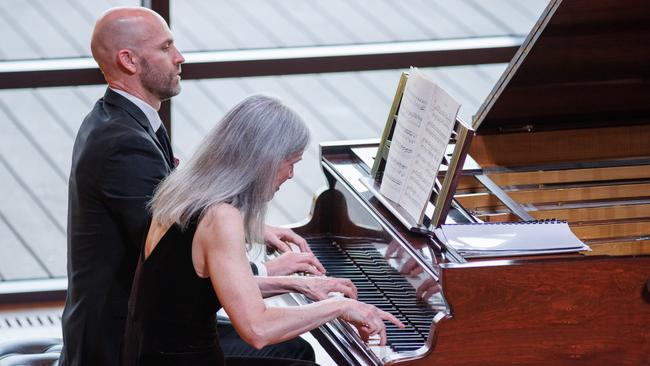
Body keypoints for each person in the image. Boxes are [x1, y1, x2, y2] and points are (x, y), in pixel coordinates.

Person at [60, 6, 333, 366]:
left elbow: (178, 222)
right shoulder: (122, 144)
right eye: (165, 48)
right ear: (129, 60)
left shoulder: (123, 121)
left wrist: (257, 231)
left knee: (293, 348)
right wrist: (270, 273)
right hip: (119, 338)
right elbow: (172, 255)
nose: (179, 57)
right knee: (285, 348)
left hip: (148, 319)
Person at [123, 94, 404, 366]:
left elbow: (200, 288)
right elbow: (257, 329)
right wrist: (338, 307)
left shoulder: (186, 188)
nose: (291, 175)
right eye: (291, 163)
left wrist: (296, 283)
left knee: (297, 352)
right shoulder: (220, 217)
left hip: (152, 355)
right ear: (265, 159)